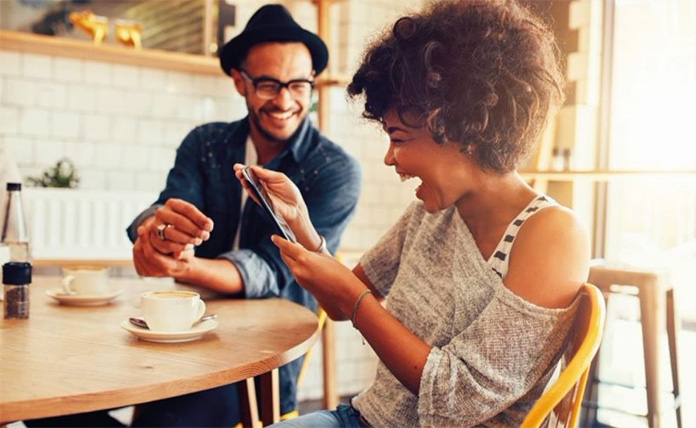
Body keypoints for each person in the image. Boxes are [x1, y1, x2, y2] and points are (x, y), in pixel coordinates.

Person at [234, 0, 590, 426]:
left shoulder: (552, 235)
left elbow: (459, 398)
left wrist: (356, 299)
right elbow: (345, 301)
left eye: (398, 138)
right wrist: (302, 227)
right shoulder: (434, 210)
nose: (390, 157)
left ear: (460, 126)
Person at [25, 4, 360, 428]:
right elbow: (165, 210)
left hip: (261, 352)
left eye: (298, 85)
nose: (284, 100)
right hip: (175, 330)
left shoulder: (335, 169)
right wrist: (155, 235)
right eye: (268, 84)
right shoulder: (206, 143)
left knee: (164, 422)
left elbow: (273, 270)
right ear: (240, 81)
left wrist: (185, 264)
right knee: (52, 400)